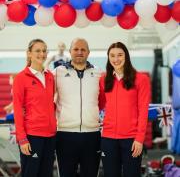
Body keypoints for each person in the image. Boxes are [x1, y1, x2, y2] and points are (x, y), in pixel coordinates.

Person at [54, 38, 104, 177]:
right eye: (76, 49)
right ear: (70, 51)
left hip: (92, 135)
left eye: (83, 49)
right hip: (65, 135)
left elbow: (103, 101)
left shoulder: (98, 73)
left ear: (88, 52)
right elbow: (45, 98)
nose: (79, 52)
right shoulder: (57, 72)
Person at [99, 42, 150, 177]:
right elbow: (98, 104)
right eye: (112, 55)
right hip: (108, 138)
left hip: (131, 139)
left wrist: (139, 138)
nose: (116, 59)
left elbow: (143, 110)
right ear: (108, 58)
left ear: (126, 56)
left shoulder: (141, 79)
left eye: (120, 55)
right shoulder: (104, 79)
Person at [13, 39, 56, 177]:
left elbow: (50, 104)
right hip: (32, 137)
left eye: (44, 51)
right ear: (29, 53)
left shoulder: (50, 77)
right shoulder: (21, 78)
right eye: (38, 50)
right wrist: (22, 139)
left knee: (46, 174)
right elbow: (18, 109)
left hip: (50, 136)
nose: (42, 54)